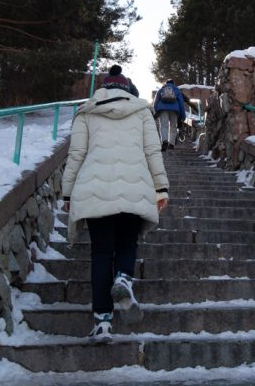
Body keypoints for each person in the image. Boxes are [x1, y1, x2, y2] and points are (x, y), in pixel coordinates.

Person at [62, 71, 170, 341]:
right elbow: (152, 151)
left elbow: (76, 155)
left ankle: (102, 323)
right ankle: (123, 278)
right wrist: (161, 188)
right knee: (127, 243)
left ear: (103, 89)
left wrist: (67, 194)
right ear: (128, 89)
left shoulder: (86, 112)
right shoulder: (142, 111)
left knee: (100, 253)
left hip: (95, 188)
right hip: (135, 185)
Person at [152, 78, 186, 151]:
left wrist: (156, 110)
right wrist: (183, 115)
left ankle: (164, 141)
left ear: (166, 83)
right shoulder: (177, 90)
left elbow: (156, 102)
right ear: (173, 83)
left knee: (164, 126)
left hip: (163, 109)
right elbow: (181, 104)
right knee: (173, 126)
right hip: (174, 110)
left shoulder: (162, 89)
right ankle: (171, 144)